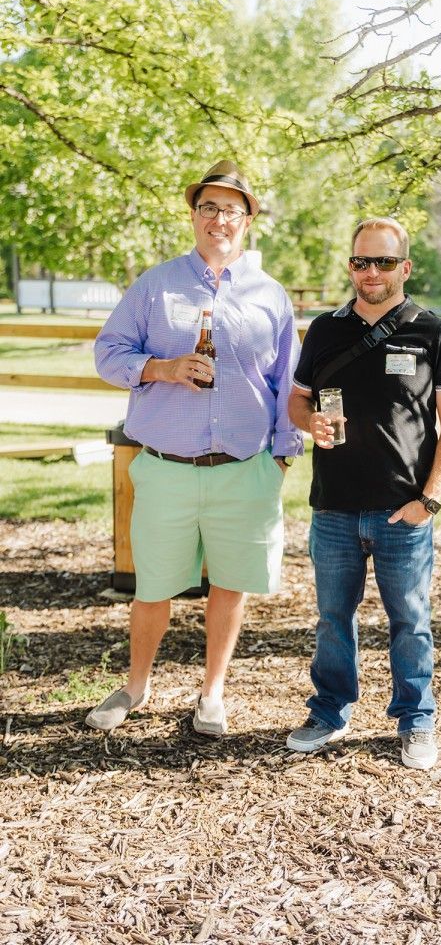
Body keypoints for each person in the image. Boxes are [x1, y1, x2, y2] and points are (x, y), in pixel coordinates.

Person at [86, 160, 302, 735]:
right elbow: (108, 354)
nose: (219, 219)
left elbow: (288, 381)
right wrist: (161, 367)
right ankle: (135, 686)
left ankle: (212, 692)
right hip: (167, 467)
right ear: (194, 215)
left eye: (231, 209)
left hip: (244, 468)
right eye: (209, 207)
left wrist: (281, 457)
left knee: (230, 583)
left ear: (248, 220)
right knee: (152, 586)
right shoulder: (156, 285)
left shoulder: (270, 296)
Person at [286, 217, 441, 770]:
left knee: (410, 619)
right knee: (331, 619)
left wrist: (427, 501)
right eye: (361, 261)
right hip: (334, 508)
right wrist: (309, 421)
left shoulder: (433, 332)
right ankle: (330, 712)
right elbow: (297, 401)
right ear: (350, 266)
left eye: (384, 262)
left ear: (405, 268)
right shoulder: (323, 330)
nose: (371, 272)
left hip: (402, 511)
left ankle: (416, 720)